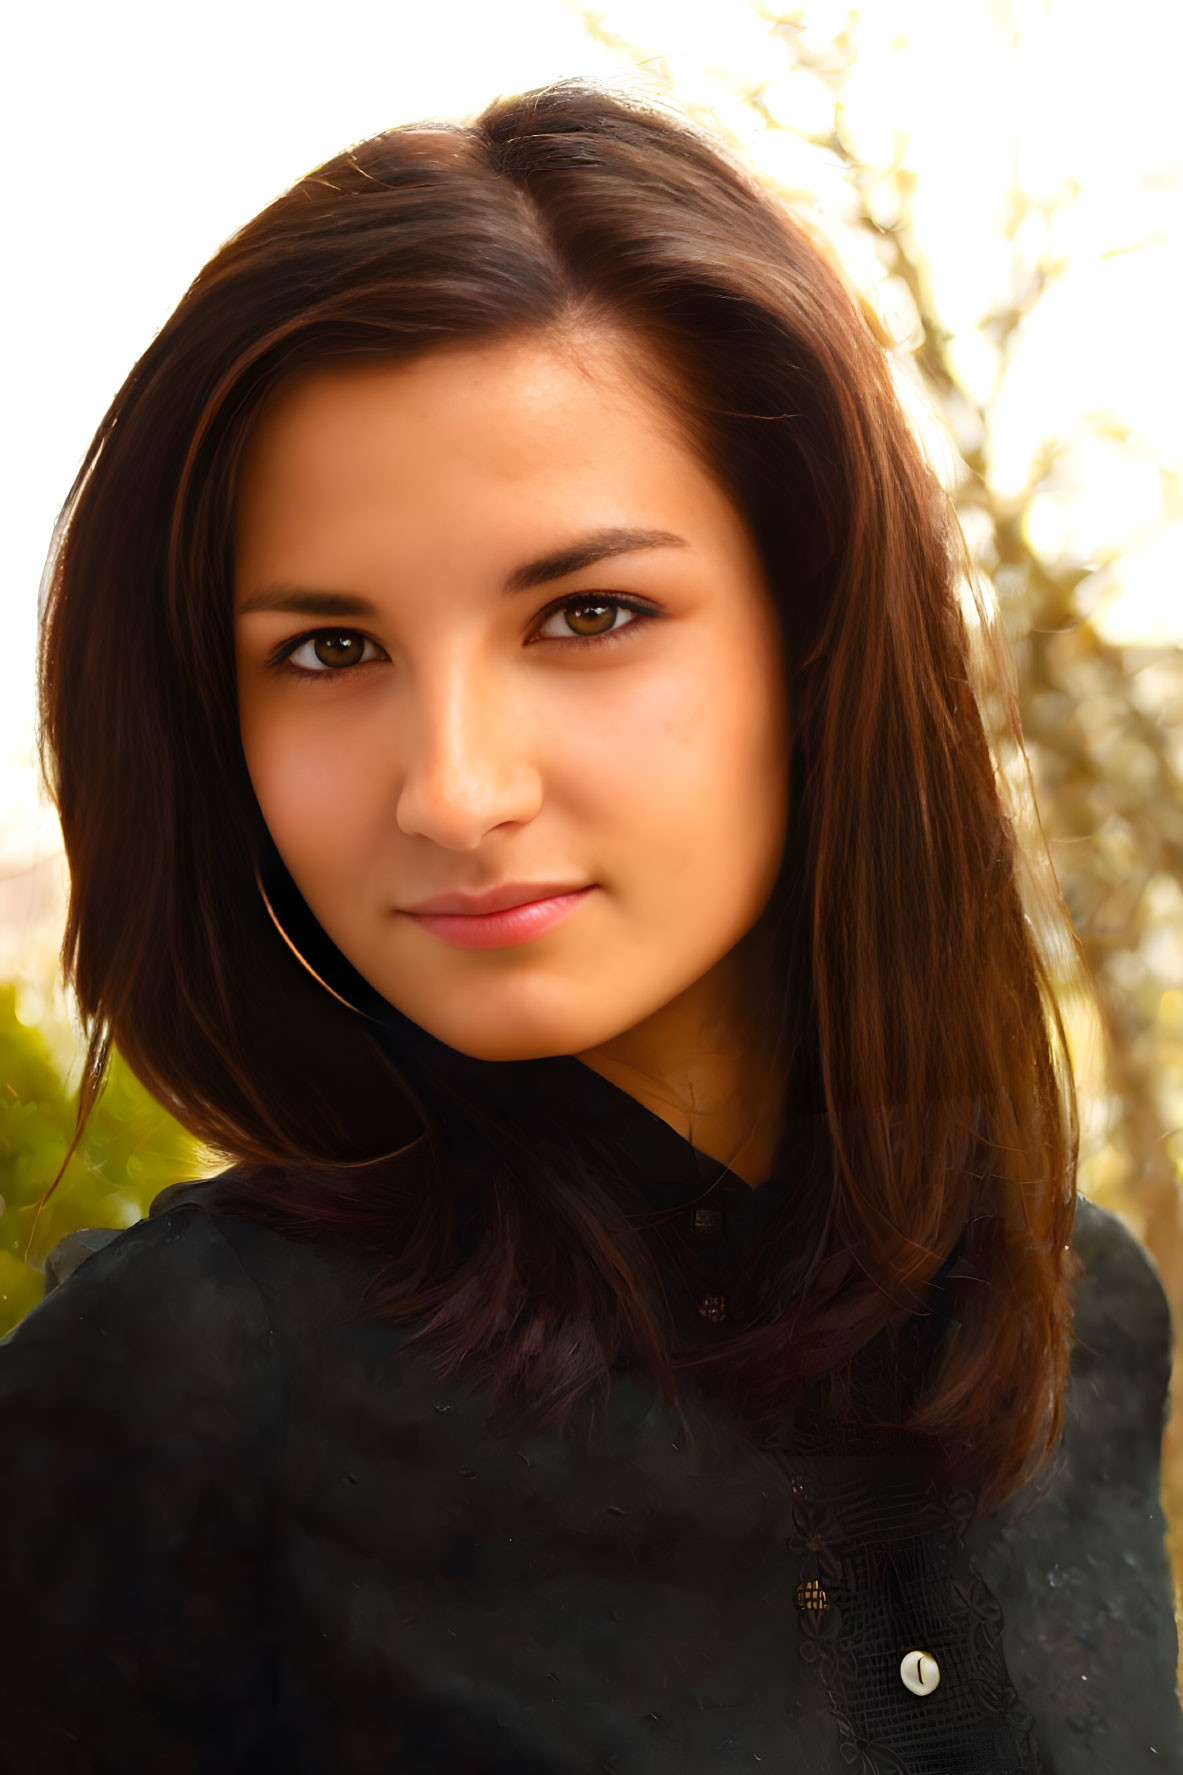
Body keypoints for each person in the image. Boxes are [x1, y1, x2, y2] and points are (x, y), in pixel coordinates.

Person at [0, 74, 1178, 1774]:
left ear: (817, 634)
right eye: (329, 651)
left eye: (589, 613)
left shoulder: (1077, 1315)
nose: (454, 790)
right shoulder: (186, 1392)